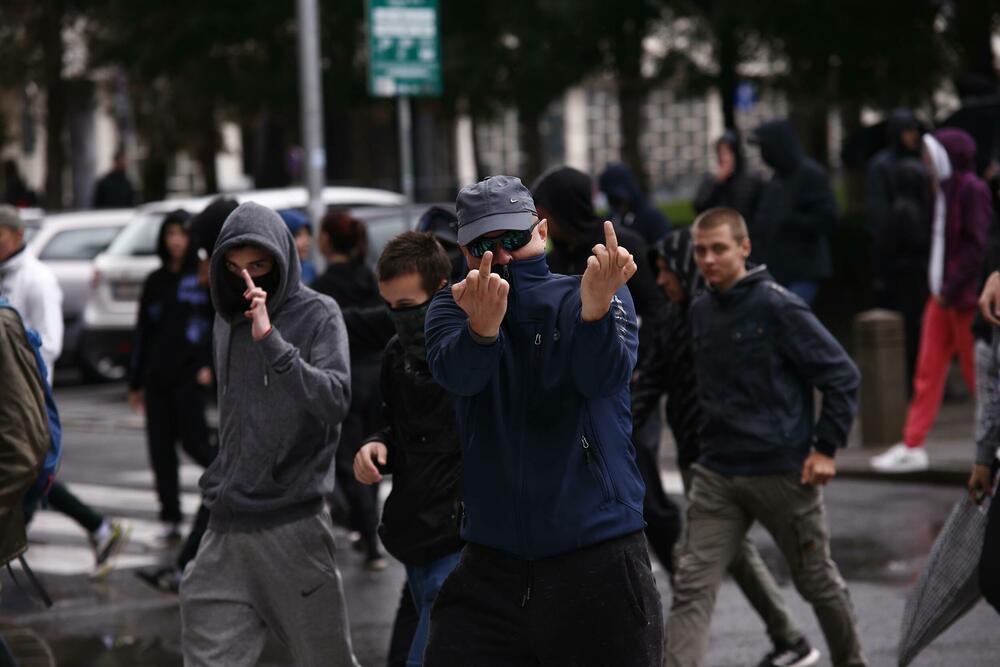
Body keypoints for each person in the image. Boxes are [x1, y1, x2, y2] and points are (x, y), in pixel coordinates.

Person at [423, 175, 661, 666]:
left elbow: (607, 377)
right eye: (483, 246)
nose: (502, 257)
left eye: (514, 240)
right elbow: (458, 376)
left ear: (543, 231)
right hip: (491, 560)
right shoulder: (453, 306)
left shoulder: (590, 292)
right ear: (463, 250)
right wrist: (482, 332)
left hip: (598, 552)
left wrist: (595, 315)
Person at [664, 207, 865, 667]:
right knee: (692, 586)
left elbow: (842, 376)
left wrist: (825, 449)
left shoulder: (778, 305)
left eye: (719, 249)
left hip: (782, 473)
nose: (709, 260)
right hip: (717, 475)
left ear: (744, 248)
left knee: (817, 583)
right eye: (700, 251)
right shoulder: (700, 309)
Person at [179, 202, 358, 666]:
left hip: (291, 523)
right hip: (226, 522)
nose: (248, 281)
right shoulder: (225, 318)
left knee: (325, 659)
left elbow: (336, 400)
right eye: (234, 269)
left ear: (281, 260)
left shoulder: (320, 314)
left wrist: (275, 345)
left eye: (258, 267)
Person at [632, 227, 818, 667]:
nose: (661, 281)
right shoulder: (674, 318)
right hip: (702, 459)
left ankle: (679, 656)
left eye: (665, 271)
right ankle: (791, 638)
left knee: (696, 564)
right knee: (736, 555)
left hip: (728, 459)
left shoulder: (712, 314)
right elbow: (652, 382)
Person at [531, 165, 678, 571]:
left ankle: (683, 575)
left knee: (642, 486)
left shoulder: (621, 245)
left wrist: (638, 365)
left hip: (631, 385)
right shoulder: (557, 257)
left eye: (546, 209)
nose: (542, 220)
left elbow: (658, 309)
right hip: (581, 392)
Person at [0, 204, 128, 577]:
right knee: (35, 477)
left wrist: (18, 358)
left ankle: (99, 528)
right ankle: (100, 528)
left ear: (17, 235)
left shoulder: (37, 279)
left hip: (31, 399)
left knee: (33, 474)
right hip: (14, 398)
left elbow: (50, 342)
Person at [353, 231, 463, 667]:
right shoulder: (396, 356)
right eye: (390, 307)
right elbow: (398, 430)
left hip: (460, 539)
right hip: (416, 535)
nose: (397, 318)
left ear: (440, 291)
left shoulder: (473, 345)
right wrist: (376, 446)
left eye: (406, 307)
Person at [871, 128, 993, 473]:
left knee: (978, 375)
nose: (924, 162)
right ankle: (912, 444)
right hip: (943, 298)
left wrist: (950, 287)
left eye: (929, 154)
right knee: (928, 372)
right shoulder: (942, 190)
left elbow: (975, 245)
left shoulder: (970, 190)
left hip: (962, 299)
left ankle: (991, 445)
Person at [136, 198, 236, 595]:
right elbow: (146, 330)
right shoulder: (173, 280)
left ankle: (187, 568)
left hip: (206, 390)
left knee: (217, 475)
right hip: (180, 385)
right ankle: (186, 565)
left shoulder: (224, 279)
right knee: (216, 482)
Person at [127, 210, 215, 541]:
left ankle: (229, 490)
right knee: (161, 451)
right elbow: (143, 332)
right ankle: (170, 516)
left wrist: (209, 365)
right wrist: (135, 381)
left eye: (182, 233)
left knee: (197, 444)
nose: (176, 240)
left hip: (189, 377)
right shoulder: (156, 280)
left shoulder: (203, 277)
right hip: (156, 378)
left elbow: (215, 325)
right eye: (170, 234)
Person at [311, 209, 388, 570]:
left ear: (326, 240)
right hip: (378, 374)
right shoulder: (369, 279)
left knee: (347, 459)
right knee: (372, 454)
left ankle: (360, 525)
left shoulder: (323, 288)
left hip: (346, 378)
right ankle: (370, 537)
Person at [748, 119, 839, 306]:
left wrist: (791, 222)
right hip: (777, 269)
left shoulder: (810, 174)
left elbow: (829, 218)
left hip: (803, 269)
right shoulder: (777, 179)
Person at [872, 158, 933, 385]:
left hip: (905, 281)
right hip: (910, 282)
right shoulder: (909, 210)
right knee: (914, 334)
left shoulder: (899, 208)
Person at [866, 109, 923, 234]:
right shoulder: (881, 165)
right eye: (908, 131)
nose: (914, 135)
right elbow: (879, 208)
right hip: (893, 236)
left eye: (914, 130)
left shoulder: (922, 160)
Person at [693, 130, 763, 222]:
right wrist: (717, 182)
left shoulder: (752, 180)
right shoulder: (712, 180)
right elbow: (700, 206)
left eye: (727, 153)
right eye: (721, 153)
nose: (724, 158)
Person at [599, 162, 671, 244]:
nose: (615, 204)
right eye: (611, 198)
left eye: (618, 199)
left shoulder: (653, 219)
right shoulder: (610, 220)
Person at [279, 209, 317, 284]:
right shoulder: (276, 271)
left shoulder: (309, 269)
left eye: (307, 234)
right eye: (298, 235)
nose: (306, 241)